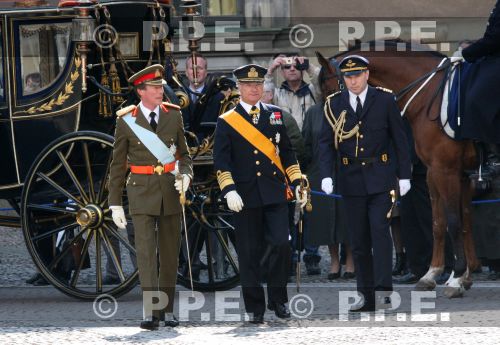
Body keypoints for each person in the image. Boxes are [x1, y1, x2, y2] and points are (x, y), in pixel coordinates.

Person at [213, 64, 308, 324]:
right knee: (249, 252)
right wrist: (229, 189)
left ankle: (278, 300)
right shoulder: (227, 122)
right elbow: (222, 162)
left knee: (281, 244)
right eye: (248, 84)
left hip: (275, 193)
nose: (254, 88)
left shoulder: (275, 116)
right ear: (239, 88)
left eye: (258, 84)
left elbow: (288, 154)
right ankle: (255, 307)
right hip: (244, 196)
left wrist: (297, 181)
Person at [318, 55, 412, 312]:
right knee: (358, 240)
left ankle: (383, 293)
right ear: (343, 79)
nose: (353, 80)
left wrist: (404, 175)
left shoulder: (384, 99)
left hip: (381, 177)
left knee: (380, 235)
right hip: (351, 180)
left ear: (367, 75)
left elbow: (399, 139)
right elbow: (326, 143)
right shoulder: (333, 104)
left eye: (357, 75)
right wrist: (326, 174)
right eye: (348, 76)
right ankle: (365, 295)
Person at [108, 64, 193, 330]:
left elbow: (184, 154)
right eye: (155, 87)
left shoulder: (173, 116)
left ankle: (166, 310)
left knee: (169, 254)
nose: (161, 91)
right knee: (145, 253)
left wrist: (186, 176)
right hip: (141, 191)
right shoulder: (126, 120)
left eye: (161, 86)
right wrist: (114, 203)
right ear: (140, 91)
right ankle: (150, 311)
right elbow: (117, 164)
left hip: (170, 190)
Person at [266, 53, 322, 273]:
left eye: (295, 66)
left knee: (311, 206)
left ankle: (312, 254)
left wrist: (309, 67)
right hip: (285, 156)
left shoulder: (313, 92)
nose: (291, 69)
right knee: (288, 207)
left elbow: (325, 84)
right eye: (287, 66)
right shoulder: (277, 94)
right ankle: (289, 256)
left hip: (312, 154)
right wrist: (270, 70)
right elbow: (262, 96)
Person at [301, 67, 355, 280]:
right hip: (319, 172)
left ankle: (350, 261)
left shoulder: (350, 108)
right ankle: (334, 262)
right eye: (324, 84)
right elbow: (305, 143)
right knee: (327, 221)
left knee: (347, 218)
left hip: (347, 169)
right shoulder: (314, 112)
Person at [461, 0, 500, 170]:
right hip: (492, 56)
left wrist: (468, 52)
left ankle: (493, 155)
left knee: (476, 99)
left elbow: (495, 37)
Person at [182, 53, 226, 140]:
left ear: (206, 73)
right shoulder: (177, 97)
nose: (196, 71)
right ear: (186, 72)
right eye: (192, 68)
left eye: (200, 68)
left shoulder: (219, 98)